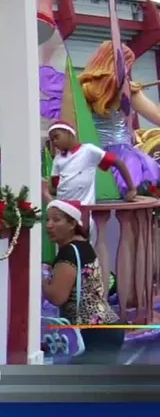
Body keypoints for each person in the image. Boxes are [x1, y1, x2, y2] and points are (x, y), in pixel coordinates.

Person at [43, 199, 123, 364]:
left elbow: (57, 297)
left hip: (93, 334)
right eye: (47, 219)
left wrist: (40, 279)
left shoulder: (68, 253)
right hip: (107, 327)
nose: (49, 225)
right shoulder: (84, 246)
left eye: (56, 220)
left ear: (72, 223)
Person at [80, 42, 160, 193]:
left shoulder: (82, 87)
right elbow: (156, 116)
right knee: (130, 207)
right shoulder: (125, 89)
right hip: (121, 155)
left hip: (88, 155)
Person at [47, 120, 136, 205]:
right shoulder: (58, 159)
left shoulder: (88, 150)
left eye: (56, 137)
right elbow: (56, 187)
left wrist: (131, 189)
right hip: (63, 209)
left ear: (69, 133)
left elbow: (118, 162)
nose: (54, 142)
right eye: (52, 140)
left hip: (84, 207)